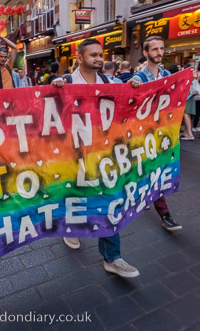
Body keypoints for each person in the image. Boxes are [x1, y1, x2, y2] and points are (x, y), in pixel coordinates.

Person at [51, 39, 142, 278]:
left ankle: (112, 257)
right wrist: (55, 91)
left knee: (109, 199)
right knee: (75, 195)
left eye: (101, 55)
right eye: (93, 55)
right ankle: (71, 228)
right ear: (80, 58)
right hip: (74, 154)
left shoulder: (111, 82)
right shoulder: (66, 82)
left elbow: (129, 103)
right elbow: (48, 112)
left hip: (105, 154)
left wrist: (135, 87)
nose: (99, 59)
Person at [131, 36, 183, 232]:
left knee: (153, 170)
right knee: (154, 171)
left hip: (163, 133)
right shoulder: (139, 78)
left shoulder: (168, 74)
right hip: (143, 135)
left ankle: (143, 196)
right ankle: (164, 214)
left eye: (161, 48)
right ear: (146, 53)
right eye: (155, 49)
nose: (159, 52)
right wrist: (133, 90)